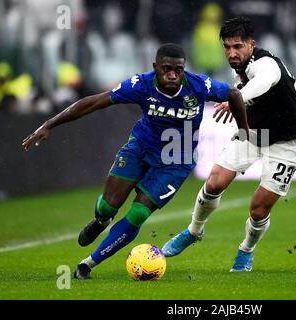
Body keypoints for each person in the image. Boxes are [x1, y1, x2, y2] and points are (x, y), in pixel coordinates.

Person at [22, 43, 249, 279]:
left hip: (176, 161)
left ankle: (88, 263)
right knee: (109, 206)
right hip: (140, 149)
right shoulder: (140, 85)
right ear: (155, 67)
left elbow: (233, 94)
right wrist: (49, 125)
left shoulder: (199, 85)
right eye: (166, 69)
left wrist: (243, 131)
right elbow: (93, 102)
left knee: (139, 213)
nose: (173, 75)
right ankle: (101, 220)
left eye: (178, 70)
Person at [162, 17, 296, 272]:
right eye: (227, 47)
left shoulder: (267, 64)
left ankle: (246, 251)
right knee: (214, 182)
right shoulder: (239, 68)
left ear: (252, 44)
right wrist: (240, 102)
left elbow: (264, 81)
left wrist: (237, 98)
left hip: (288, 139)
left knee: (259, 208)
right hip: (256, 132)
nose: (232, 53)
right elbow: (250, 90)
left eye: (238, 46)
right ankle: (193, 231)